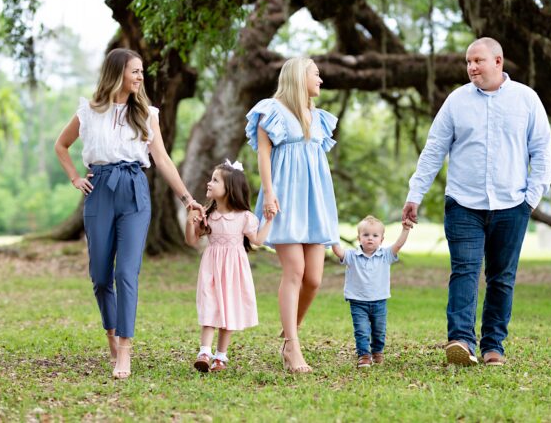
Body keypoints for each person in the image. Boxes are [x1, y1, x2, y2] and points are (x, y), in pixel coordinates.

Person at [54, 48, 205, 379]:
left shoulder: (147, 113)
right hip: (100, 191)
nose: (140, 77)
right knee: (100, 276)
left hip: (135, 190)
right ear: (116, 73)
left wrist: (187, 199)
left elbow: (162, 159)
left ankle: (125, 350)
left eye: (141, 72)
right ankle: (111, 334)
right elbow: (61, 145)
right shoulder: (89, 111)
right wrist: (75, 178)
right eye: (134, 71)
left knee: (126, 273)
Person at [402, 37, 551, 366]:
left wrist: (530, 199)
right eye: (468, 61)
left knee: (501, 277)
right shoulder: (456, 101)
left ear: (498, 61)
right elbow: (433, 150)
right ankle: (460, 341)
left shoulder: (526, 100)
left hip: (512, 206)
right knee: (465, 271)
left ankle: (493, 345)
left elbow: (542, 150)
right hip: (463, 205)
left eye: (478, 61)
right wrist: (416, 193)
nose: (471, 67)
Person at [245, 57, 339, 373]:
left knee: (313, 278)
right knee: (295, 270)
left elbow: (319, 169)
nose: (320, 80)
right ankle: (293, 349)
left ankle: (289, 334)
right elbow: (264, 154)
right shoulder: (271, 111)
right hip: (284, 197)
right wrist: (269, 192)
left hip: (314, 201)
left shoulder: (319, 118)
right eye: (316, 74)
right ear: (300, 77)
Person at [184, 160, 272, 373]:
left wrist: (269, 220)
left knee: (228, 308)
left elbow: (258, 240)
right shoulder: (208, 214)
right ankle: (204, 352)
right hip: (211, 267)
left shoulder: (244, 218)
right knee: (210, 304)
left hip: (234, 270)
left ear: (229, 189)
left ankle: (220, 356)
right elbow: (191, 241)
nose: (209, 183)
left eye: (215, 180)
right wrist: (190, 222)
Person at [332, 216, 412, 369]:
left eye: (375, 236)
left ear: (381, 239)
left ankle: (377, 352)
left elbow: (398, 244)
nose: (370, 238)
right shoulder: (352, 256)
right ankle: (364, 355)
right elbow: (337, 251)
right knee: (361, 330)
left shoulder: (385, 255)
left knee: (379, 330)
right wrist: (332, 233)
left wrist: (405, 229)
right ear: (359, 238)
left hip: (379, 301)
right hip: (358, 301)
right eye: (366, 235)